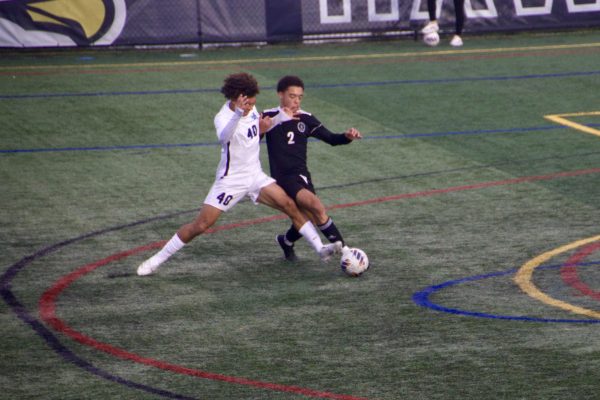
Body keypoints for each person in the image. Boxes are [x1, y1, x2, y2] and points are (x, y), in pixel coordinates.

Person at [137, 73, 342, 276]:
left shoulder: (251, 110)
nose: (251, 107)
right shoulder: (223, 116)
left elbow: (261, 128)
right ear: (236, 99)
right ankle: (155, 260)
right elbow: (225, 137)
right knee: (201, 225)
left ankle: (320, 248)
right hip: (230, 181)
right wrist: (238, 114)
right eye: (248, 103)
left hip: (254, 175)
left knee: (290, 205)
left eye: (253, 102)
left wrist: (278, 119)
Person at [261, 75, 362, 262]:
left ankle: (286, 241)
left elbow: (332, 139)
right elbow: (251, 140)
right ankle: (347, 253)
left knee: (309, 217)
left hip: (303, 177)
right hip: (283, 177)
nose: (296, 101)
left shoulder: (306, 119)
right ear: (280, 94)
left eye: (299, 97)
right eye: (292, 96)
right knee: (316, 206)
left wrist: (347, 136)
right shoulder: (268, 116)